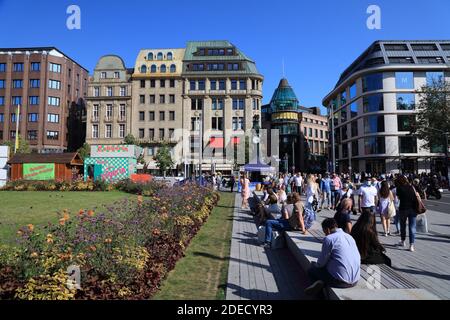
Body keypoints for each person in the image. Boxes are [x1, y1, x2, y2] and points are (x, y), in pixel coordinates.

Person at [304, 218, 360, 296]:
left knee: (311, 270)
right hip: (355, 280)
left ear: (327, 230)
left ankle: (319, 296)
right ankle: (322, 282)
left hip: (341, 282)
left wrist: (314, 264)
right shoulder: (349, 237)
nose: (325, 234)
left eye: (324, 232)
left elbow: (321, 263)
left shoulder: (329, 239)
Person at [396, 175, 418, 252]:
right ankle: (411, 245)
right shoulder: (412, 187)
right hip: (413, 209)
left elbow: (398, 198)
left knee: (403, 225)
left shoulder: (399, 188)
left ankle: (403, 241)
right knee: (412, 227)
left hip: (403, 209)